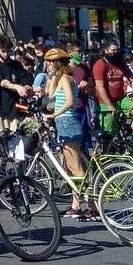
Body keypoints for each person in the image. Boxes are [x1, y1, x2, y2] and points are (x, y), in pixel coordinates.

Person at [45, 47, 92, 220]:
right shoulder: (62, 77)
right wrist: (51, 76)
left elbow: (71, 101)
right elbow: (49, 94)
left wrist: (53, 114)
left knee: (76, 167)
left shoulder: (65, 78)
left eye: (50, 63)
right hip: (64, 123)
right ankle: (76, 204)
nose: (48, 65)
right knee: (72, 167)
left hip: (67, 122)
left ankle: (90, 203)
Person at [93, 41, 133, 135]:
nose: (115, 52)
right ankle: (108, 147)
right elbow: (99, 87)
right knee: (109, 130)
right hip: (105, 101)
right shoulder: (100, 64)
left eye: (117, 50)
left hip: (121, 98)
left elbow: (132, 78)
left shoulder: (119, 63)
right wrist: (110, 105)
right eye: (112, 50)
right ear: (106, 50)